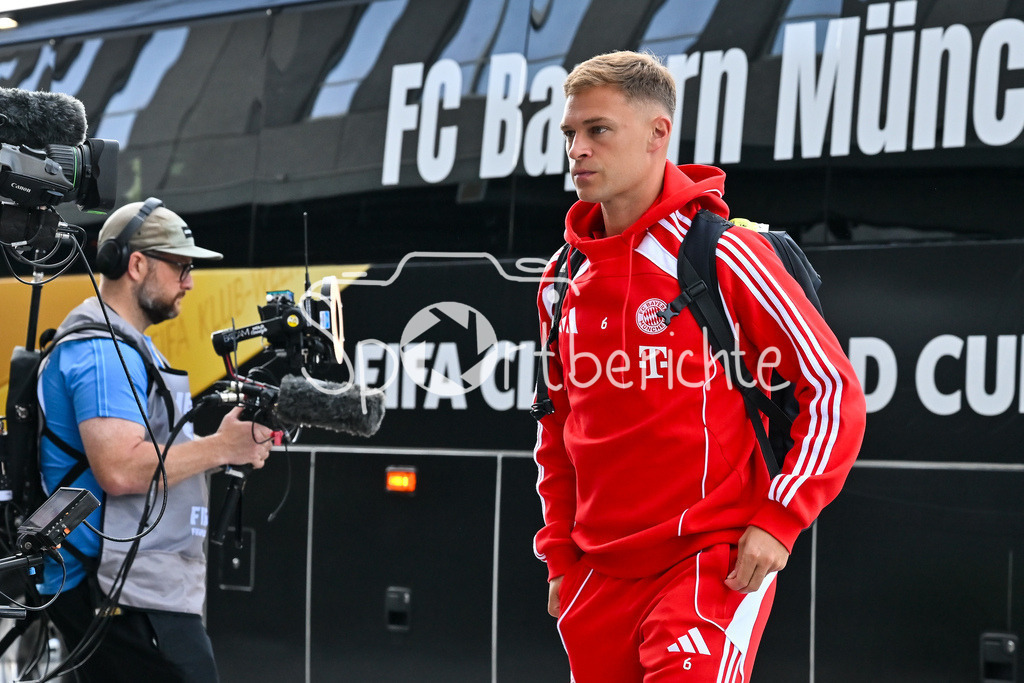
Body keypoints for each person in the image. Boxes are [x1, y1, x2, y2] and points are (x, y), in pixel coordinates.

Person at [532, 51, 866, 681]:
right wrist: (559, 555)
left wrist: (781, 519)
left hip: (709, 565)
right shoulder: (561, 277)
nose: (577, 150)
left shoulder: (724, 252)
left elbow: (832, 389)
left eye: (598, 130)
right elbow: (558, 430)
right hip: (597, 578)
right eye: (570, 133)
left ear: (658, 133)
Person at [36, 199, 273, 682]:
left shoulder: (128, 344)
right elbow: (121, 469)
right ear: (137, 264)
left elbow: (150, 450)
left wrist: (225, 443)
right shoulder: (103, 352)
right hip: (111, 585)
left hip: (130, 581)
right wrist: (222, 448)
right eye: (181, 266)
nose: (190, 282)